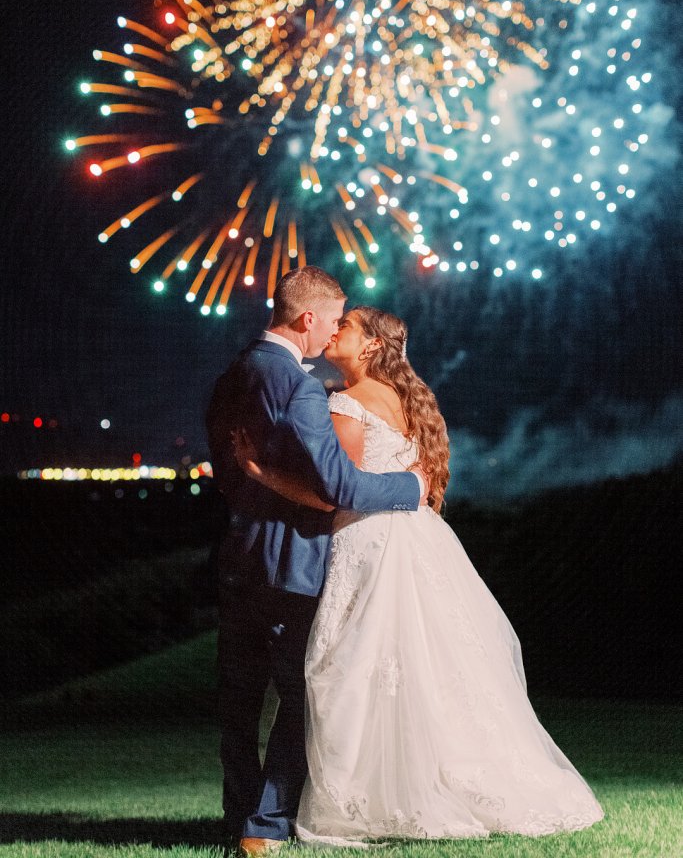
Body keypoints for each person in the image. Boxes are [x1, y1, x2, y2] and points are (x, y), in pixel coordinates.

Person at [233, 306, 605, 843]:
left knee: (354, 666)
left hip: (370, 541)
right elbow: (414, 484)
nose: (335, 331)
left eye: (349, 326)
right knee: (427, 666)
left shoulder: (347, 403)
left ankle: (371, 799)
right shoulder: (410, 401)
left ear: (370, 346)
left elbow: (335, 492)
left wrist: (263, 473)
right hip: (420, 539)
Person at [205, 270, 426, 857]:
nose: (333, 331)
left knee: (238, 698)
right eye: (333, 318)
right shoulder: (300, 387)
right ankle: (266, 824)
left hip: (237, 555)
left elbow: (227, 469)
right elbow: (339, 486)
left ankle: (239, 816)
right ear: (308, 318)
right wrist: (410, 489)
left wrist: (255, 483)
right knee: (304, 699)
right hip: (292, 560)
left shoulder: (235, 374)